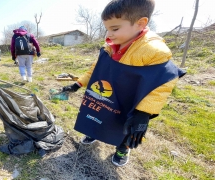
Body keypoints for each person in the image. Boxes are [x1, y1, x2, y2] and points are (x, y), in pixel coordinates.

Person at [62, 0, 185, 167]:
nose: (108, 34)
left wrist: (144, 112)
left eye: (115, 29)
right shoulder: (109, 46)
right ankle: (93, 131)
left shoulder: (154, 51)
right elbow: (97, 68)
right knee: (96, 113)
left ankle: (122, 148)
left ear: (140, 23)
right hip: (105, 92)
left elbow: (162, 84)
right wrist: (78, 84)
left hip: (129, 98)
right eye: (107, 29)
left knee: (125, 125)